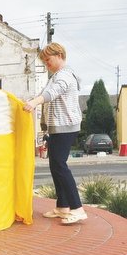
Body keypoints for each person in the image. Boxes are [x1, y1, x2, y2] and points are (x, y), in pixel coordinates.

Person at [23, 42, 86, 224]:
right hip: (58, 128)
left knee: (60, 166)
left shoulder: (64, 76)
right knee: (55, 166)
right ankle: (63, 207)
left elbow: (52, 92)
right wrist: (31, 101)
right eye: (44, 61)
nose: (46, 64)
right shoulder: (56, 75)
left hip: (65, 127)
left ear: (59, 55)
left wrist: (35, 103)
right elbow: (45, 92)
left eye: (47, 60)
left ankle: (77, 208)